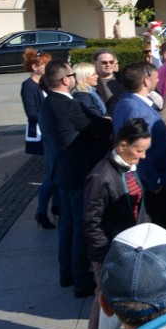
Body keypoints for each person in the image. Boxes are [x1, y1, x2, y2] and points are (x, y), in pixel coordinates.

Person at [39, 60, 113, 297]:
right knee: (81, 225)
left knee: (68, 225)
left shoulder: (48, 102)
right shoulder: (67, 104)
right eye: (71, 75)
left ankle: (67, 273)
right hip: (77, 171)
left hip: (62, 170)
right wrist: (108, 122)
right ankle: (82, 280)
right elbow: (95, 126)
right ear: (65, 80)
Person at [82, 118, 150, 329]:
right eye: (139, 150)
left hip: (129, 244)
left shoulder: (127, 166)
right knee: (105, 294)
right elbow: (91, 222)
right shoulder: (100, 177)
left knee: (116, 293)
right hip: (110, 249)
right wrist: (103, 254)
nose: (142, 156)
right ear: (122, 145)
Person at [112, 63, 166, 230]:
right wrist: (155, 183)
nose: (158, 78)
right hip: (149, 185)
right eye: (155, 76)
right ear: (146, 81)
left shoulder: (127, 100)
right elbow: (137, 151)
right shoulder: (136, 110)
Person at [21, 48, 55, 229]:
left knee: (54, 172)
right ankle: (42, 211)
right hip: (43, 134)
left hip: (50, 131)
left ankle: (52, 208)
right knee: (51, 173)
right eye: (45, 64)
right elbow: (31, 112)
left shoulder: (46, 82)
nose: (48, 67)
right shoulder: (28, 85)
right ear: (35, 67)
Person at [93, 48, 123, 114]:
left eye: (111, 62)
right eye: (104, 62)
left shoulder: (123, 78)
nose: (108, 65)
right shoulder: (92, 82)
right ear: (95, 63)